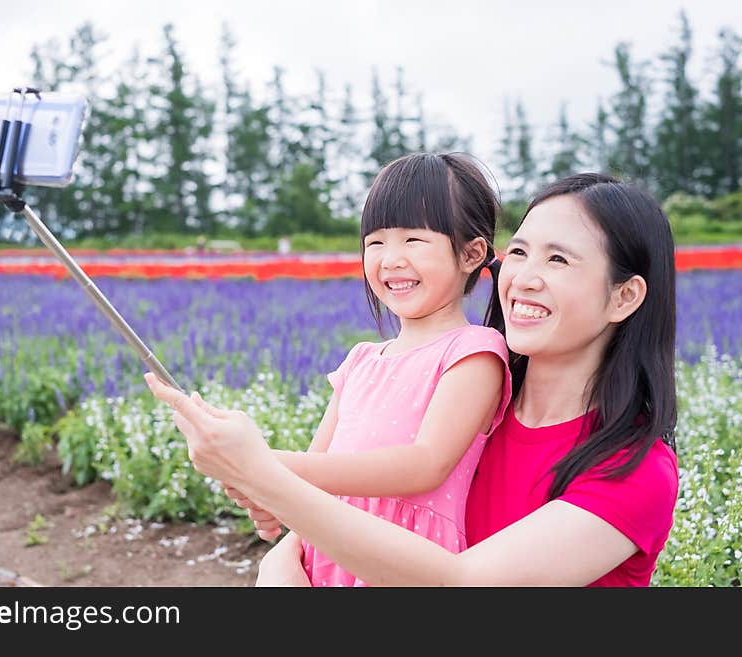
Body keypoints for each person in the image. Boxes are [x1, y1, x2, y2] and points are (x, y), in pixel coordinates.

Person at [145, 172, 680, 587]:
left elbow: (461, 584)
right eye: (518, 251)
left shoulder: (633, 472)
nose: (524, 278)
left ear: (624, 296)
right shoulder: (474, 406)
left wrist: (262, 470)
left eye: (559, 258)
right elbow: (349, 514)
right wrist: (282, 559)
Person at [162, 152, 512, 588]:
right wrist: (270, 493)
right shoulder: (362, 361)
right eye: (376, 242)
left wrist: (263, 465)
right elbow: (317, 466)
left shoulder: (474, 352)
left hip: (401, 562)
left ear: (471, 253)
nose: (390, 259)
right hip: (326, 554)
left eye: (413, 240)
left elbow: (424, 465)